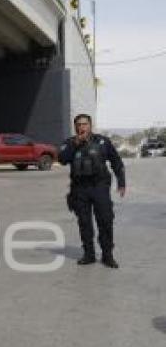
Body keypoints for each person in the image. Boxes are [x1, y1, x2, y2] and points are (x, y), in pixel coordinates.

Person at [58, 114, 126, 268]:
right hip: (79, 189)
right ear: (75, 127)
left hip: (100, 187)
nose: (82, 127)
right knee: (84, 222)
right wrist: (76, 144)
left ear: (90, 125)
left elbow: (116, 161)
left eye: (85, 124)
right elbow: (62, 159)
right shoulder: (69, 143)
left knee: (105, 220)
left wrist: (121, 183)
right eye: (79, 125)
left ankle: (107, 255)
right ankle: (88, 254)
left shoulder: (102, 142)